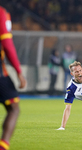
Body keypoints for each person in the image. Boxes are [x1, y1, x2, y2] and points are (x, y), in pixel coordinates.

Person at [0, 6, 26, 150]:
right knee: (14, 109)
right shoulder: (1, 13)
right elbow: (7, 45)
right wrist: (18, 71)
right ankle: (3, 147)